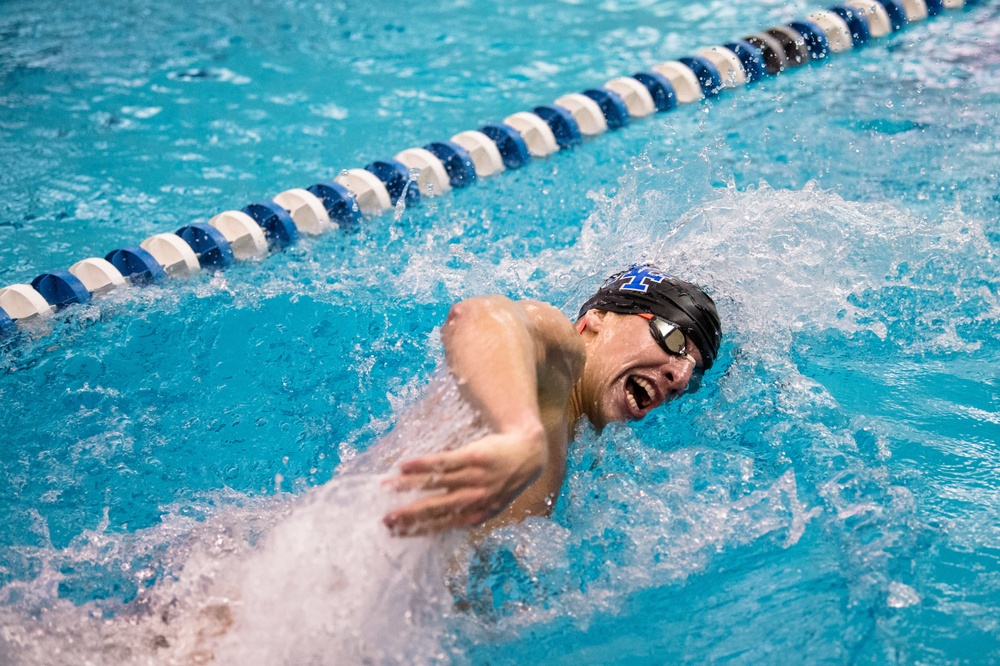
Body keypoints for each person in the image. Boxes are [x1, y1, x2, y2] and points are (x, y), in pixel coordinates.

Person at [383, 264, 722, 536]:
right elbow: (479, 316)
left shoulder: (571, 435)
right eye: (671, 337)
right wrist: (518, 435)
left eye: (693, 373)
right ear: (597, 320)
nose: (680, 377)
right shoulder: (560, 355)